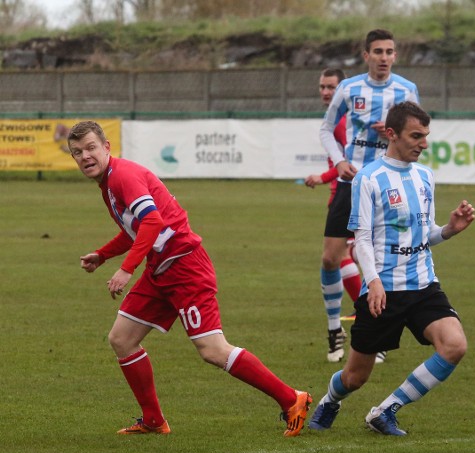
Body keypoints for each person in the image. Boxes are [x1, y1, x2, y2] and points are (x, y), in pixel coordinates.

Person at [70, 121, 312, 436]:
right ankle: (154, 421)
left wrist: (126, 268)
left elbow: (152, 221)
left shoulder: (123, 177)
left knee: (212, 350)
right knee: (122, 339)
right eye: (77, 152)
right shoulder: (110, 181)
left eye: (90, 148)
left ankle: (292, 398)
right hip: (161, 268)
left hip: (185, 267)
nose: (85, 156)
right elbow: (137, 228)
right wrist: (103, 255)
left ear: (106, 147)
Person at [308, 101, 475, 436]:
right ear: (391, 134)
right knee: (356, 377)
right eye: (416, 136)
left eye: (426, 136)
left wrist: (449, 230)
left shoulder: (426, 177)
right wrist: (373, 282)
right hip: (382, 290)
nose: (423, 144)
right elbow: (363, 240)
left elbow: (425, 234)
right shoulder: (369, 178)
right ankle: (329, 399)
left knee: (455, 345)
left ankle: (385, 411)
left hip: (423, 283)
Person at [317, 29, 419, 363]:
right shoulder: (349, 88)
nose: (384, 57)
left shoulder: (406, 90)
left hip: (386, 183)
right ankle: (335, 329)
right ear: (366, 55)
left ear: (395, 55)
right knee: (331, 258)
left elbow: (416, 135)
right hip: (352, 181)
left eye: (390, 51)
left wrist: (393, 132)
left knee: (376, 260)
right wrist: (341, 160)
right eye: (378, 51)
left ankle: (375, 337)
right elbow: (325, 129)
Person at [304, 68, 363, 320]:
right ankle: (365, 306)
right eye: (322, 87)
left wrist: (323, 177)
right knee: (345, 254)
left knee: (339, 256)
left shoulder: (342, 122)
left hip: (346, 192)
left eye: (331, 87)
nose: (326, 92)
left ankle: (367, 306)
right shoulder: (336, 119)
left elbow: (348, 163)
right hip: (340, 191)